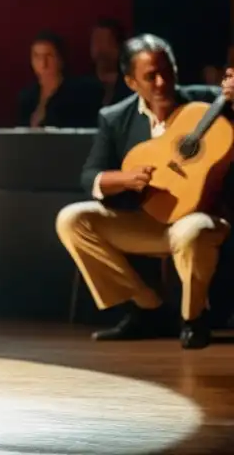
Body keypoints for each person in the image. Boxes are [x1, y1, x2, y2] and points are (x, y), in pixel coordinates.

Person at [56, 34, 234, 350]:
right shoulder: (114, 118)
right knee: (71, 219)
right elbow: (90, 176)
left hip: (198, 219)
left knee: (192, 231)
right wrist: (124, 179)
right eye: (150, 76)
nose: (162, 82)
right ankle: (147, 308)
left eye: (168, 71)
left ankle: (193, 320)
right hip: (145, 220)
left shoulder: (208, 104)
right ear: (130, 81)